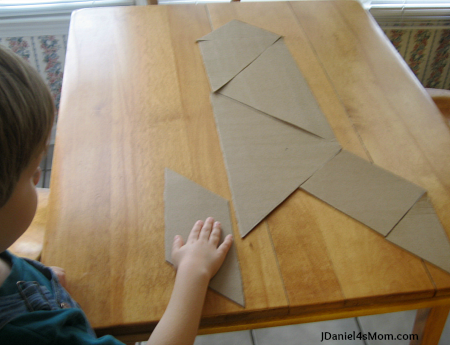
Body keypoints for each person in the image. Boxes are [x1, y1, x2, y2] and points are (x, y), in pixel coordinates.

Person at [0, 44, 233, 345]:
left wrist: (37, 279)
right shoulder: (39, 335)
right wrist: (194, 271)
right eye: (33, 174)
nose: (37, 177)